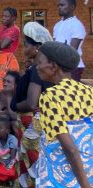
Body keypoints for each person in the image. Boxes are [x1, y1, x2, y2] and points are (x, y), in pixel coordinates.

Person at [35, 42, 92, 187]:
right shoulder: (89, 91)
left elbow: (69, 148)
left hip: (61, 175)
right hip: (88, 169)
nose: (37, 67)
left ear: (53, 66)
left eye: (39, 62)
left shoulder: (50, 96)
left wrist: (84, 184)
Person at [9, 22, 53, 188]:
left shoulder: (36, 69)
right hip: (33, 123)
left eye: (26, 45)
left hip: (31, 125)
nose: (23, 48)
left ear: (37, 48)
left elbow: (31, 102)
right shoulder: (42, 68)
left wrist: (15, 106)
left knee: (31, 164)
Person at [53, 0, 87, 82]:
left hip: (72, 67)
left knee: (70, 94)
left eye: (62, 5)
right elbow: (53, 46)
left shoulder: (77, 25)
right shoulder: (57, 25)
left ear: (72, 7)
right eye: (58, 5)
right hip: (58, 66)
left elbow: (71, 51)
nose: (59, 7)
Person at [0, 7, 20, 91]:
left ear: (13, 18)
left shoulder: (14, 30)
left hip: (7, 62)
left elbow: (2, 45)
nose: (3, 18)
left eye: (6, 16)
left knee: (4, 88)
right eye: (2, 16)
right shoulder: (3, 28)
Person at [0, 117, 18, 184]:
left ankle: (4, 179)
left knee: (12, 172)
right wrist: (1, 161)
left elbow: (13, 157)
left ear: (8, 130)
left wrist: (8, 166)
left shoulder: (12, 139)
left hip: (9, 163)